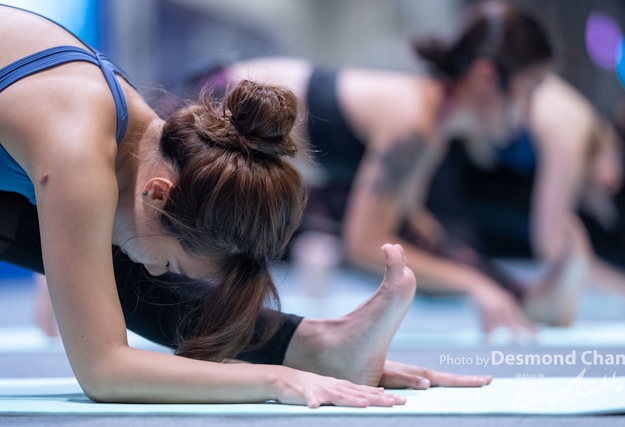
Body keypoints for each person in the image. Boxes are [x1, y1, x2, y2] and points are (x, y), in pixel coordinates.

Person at [0, 5, 491, 406]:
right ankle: (314, 347)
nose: (155, 273)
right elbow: (104, 371)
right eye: (170, 265)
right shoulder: (79, 147)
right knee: (130, 263)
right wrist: (275, 379)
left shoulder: (134, 134)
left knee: (132, 257)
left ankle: (317, 345)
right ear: (158, 194)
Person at [194, 1, 593, 334]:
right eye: (530, 88)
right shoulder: (415, 123)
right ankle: (526, 297)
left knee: (426, 235)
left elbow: (411, 226)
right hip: (214, 108)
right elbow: (365, 245)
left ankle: (526, 296)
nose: (530, 112)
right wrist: (475, 286)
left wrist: (487, 283)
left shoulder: (434, 121)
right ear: (486, 75)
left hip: (227, 107)